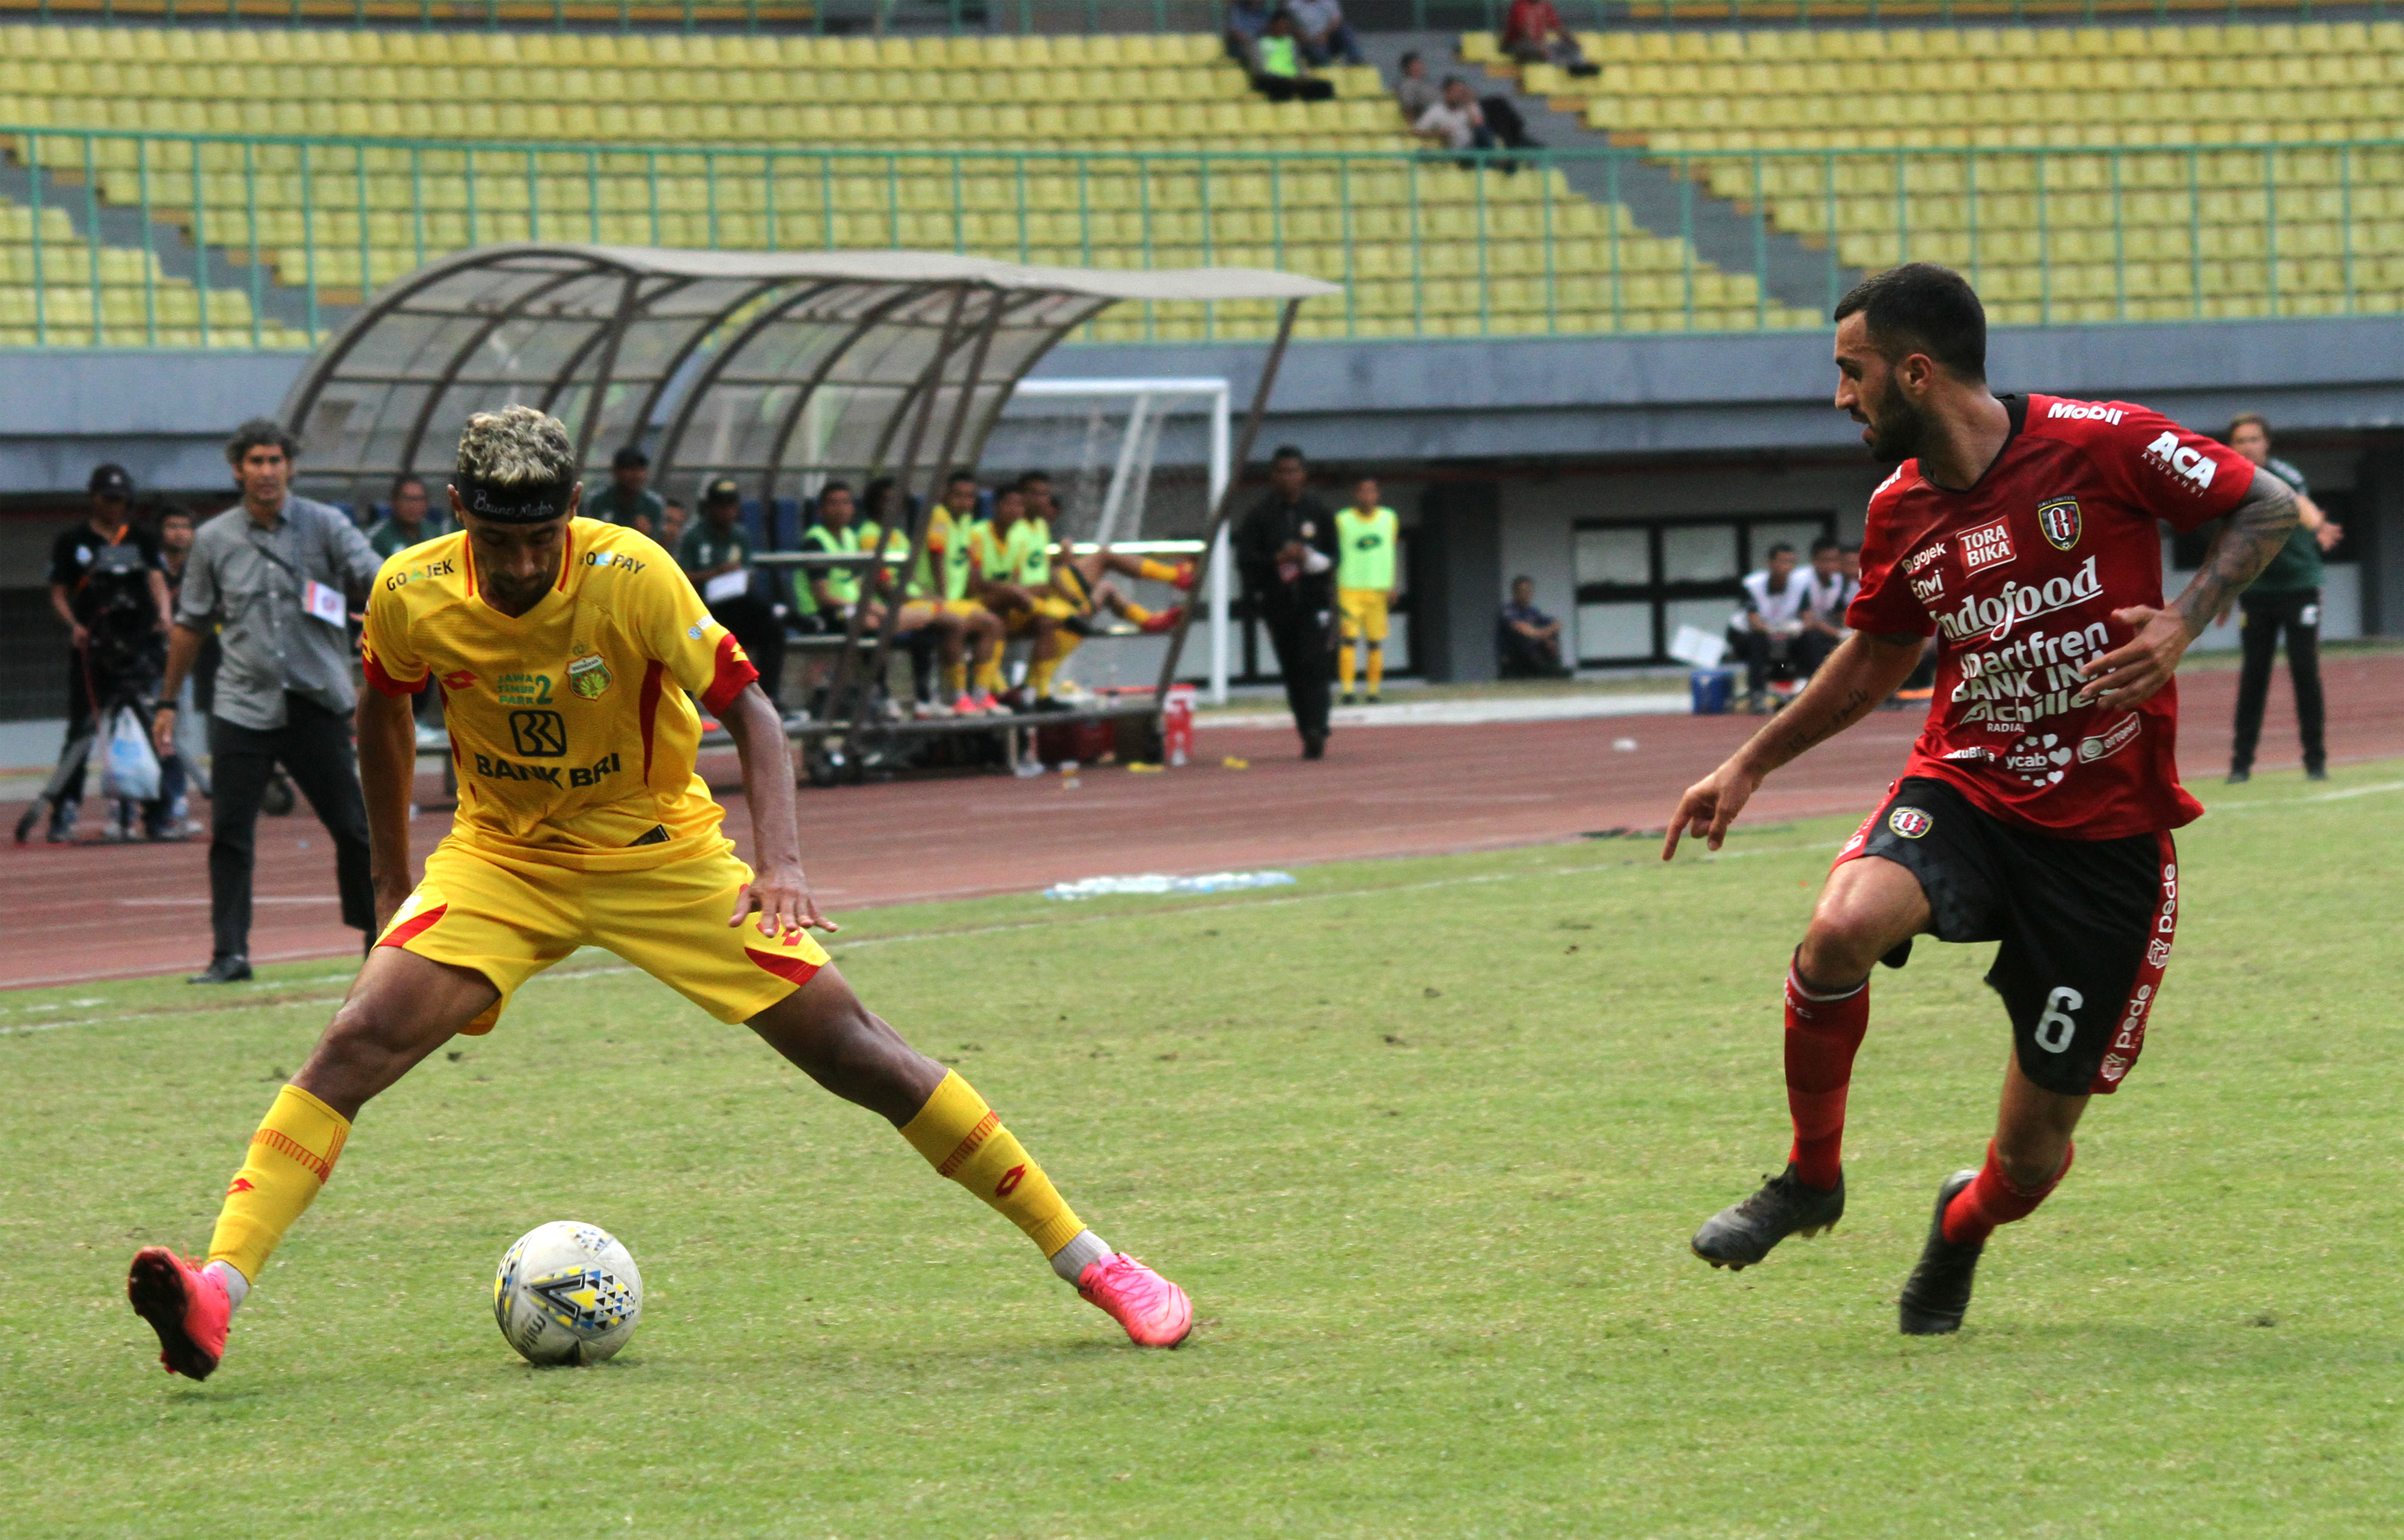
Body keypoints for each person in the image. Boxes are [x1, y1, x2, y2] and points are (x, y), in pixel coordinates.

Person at [123, 404, 1192, 1386]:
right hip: (502, 858)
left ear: (574, 514)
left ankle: (1096, 1262)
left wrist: (780, 863)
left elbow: (755, 714)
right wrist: (394, 883)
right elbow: (383, 718)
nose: (523, 565)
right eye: (499, 545)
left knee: (858, 1049)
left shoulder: (634, 574)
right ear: (459, 519)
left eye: (543, 541)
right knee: (353, 1040)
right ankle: (218, 1290)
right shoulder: (409, 590)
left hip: (660, 853)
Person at [1668, 263, 2298, 1336]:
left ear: (1915, 372)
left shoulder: (2101, 442)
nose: (1840, 397)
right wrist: (1751, 763)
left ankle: (1960, 1226)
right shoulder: (1899, 509)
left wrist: (2185, 621)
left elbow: (2267, 503)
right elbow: (1871, 668)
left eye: (1851, 373)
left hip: (2107, 842)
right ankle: (1811, 1178)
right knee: (1837, 933)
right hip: (1967, 788)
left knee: (2030, 1154)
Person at [153, 418, 383, 985]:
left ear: (291, 467)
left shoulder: (325, 524)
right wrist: (166, 701)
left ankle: (378, 945)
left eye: (275, 460)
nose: (266, 471)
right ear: (237, 469)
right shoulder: (213, 539)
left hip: (316, 700)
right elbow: (190, 624)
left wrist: (383, 610)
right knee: (230, 832)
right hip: (241, 705)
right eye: (254, 461)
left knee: (355, 828)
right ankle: (230, 953)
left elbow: (380, 577)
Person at [43, 462, 172, 843]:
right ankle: (64, 808)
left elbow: (156, 577)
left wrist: (163, 613)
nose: (115, 506)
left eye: (121, 499)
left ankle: (158, 810)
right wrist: (74, 627)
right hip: (95, 649)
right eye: (107, 498)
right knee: (82, 729)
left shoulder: (142, 538)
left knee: (153, 725)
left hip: (139, 644)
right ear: (93, 498)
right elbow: (57, 592)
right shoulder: (72, 541)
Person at [2222, 414, 2341, 784]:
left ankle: (2316, 763)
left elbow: (2299, 501)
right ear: (2231, 446)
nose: (2248, 447)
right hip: (2256, 593)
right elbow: (2228, 542)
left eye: (2255, 439)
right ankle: (2241, 767)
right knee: (2253, 677)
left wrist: (2319, 525)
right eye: (2241, 441)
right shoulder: (2227, 484)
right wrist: (2223, 595)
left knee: (2305, 672)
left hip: (2298, 588)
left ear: (2267, 443)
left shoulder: (2283, 475)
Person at [1233, 445, 1339, 758]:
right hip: (1278, 605)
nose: (1288, 477)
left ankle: (1319, 727)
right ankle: (1306, 729)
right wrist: (1277, 559)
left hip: (1315, 602)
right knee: (1292, 668)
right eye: (1282, 471)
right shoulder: (1259, 516)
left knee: (1315, 665)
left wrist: (1309, 557)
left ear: (1303, 475)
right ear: (1272, 476)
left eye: (1294, 471)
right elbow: (1245, 559)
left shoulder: (1319, 513)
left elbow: (1335, 558)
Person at [679, 477, 786, 711]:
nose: (727, 511)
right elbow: (682, 576)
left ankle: (771, 695)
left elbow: (748, 571)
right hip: (703, 607)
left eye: (731, 505)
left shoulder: (740, 535)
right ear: (709, 507)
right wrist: (717, 573)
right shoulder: (694, 536)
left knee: (772, 625)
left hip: (736, 602)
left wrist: (739, 577)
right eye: (721, 505)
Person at [1335, 478, 1400, 704]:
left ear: (1378, 494)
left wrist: (1393, 583)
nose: (1367, 496)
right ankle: (1348, 691)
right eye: (1363, 491)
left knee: (1375, 641)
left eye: (1372, 491)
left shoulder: (1389, 518)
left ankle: (1373, 691)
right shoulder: (1342, 520)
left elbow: (1391, 551)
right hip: (1349, 587)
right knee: (1348, 639)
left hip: (1378, 588)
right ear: (1355, 494)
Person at [1726, 541, 1811, 711]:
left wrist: (1797, 629)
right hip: (1747, 636)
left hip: (1784, 636)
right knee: (1758, 640)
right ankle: (1757, 693)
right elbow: (1755, 623)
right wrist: (1778, 631)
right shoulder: (1752, 584)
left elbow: (1807, 619)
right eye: (1783, 562)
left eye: (1792, 563)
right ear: (1770, 563)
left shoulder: (1801, 585)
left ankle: (1811, 688)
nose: (1788, 567)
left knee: (1811, 639)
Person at [1795, 535, 1855, 680]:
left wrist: (1849, 633)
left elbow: (1841, 613)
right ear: (1814, 561)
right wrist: (1838, 634)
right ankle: (1819, 682)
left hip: (1825, 632)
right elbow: (1809, 622)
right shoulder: (1801, 580)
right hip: (1796, 634)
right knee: (1812, 638)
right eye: (1825, 560)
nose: (1831, 565)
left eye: (1834, 560)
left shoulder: (1839, 580)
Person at [1249, 13, 1333, 103]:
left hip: (1293, 79)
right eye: (1280, 25)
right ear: (1272, 25)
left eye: (1286, 26)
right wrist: (1284, 78)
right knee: (1283, 88)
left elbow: (1299, 62)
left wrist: (1303, 78)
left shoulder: (1291, 42)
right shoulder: (1259, 43)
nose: (1283, 28)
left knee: (1325, 87)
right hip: (1271, 79)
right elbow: (1260, 70)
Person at [1496, 576, 1569, 678]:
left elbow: (1557, 624)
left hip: (1533, 656)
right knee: (1528, 639)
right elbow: (1523, 630)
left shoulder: (1533, 611)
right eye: (1522, 591)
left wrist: (1547, 637)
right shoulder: (1508, 611)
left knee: (1552, 637)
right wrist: (1543, 634)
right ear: (1515, 592)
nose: (1526, 594)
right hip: (1514, 659)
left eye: (1528, 591)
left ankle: (1552, 670)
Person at [1500, 0, 1598, 75]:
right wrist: (1539, 46)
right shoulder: (1520, 5)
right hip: (1516, 44)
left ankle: (1579, 66)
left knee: (1569, 46)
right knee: (1542, 50)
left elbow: (1557, 27)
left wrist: (1571, 41)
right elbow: (1522, 30)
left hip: (1539, 43)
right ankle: (1565, 68)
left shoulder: (1545, 5)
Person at [368, 473, 448, 559]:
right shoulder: (377, 537)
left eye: (419, 499)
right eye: (407, 499)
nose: (413, 505)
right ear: (394, 501)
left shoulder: (437, 533)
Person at [587, 445, 664, 535]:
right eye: (631, 469)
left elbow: (657, 539)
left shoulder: (653, 504)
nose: (637, 476)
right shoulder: (597, 500)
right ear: (616, 472)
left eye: (641, 470)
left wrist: (644, 534)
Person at [1416, 77, 1497, 156]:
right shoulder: (1436, 110)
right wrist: (1438, 134)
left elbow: (1479, 125)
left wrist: (1469, 104)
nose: (1459, 95)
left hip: (1471, 150)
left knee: (1483, 131)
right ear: (1447, 93)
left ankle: (1495, 159)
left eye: (1462, 92)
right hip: (1450, 152)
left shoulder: (1468, 107)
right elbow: (1418, 131)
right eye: (1456, 92)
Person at [1284, 0, 1362, 67]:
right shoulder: (1293, 5)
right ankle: (1324, 66)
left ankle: (1355, 59)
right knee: (1319, 53)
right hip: (1307, 43)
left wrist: (1325, 34)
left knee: (1346, 29)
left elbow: (1337, 20)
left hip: (1327, 38)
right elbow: (1290, 25)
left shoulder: (1329, 2)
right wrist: (1307, 39)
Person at [1393, 50, 1441, 125]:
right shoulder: (1408, 85)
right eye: (1415, 65)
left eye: (1420, 64)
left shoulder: (1426, 83)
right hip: (1427, 118)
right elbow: (1408, 107)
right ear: (1407, 68)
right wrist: (1413, 127)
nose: (1419, 67)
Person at [1223, 0, 1270, 64]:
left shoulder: (1265, 13)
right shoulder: (1238, 9)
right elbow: (1235, 31)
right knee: (1255, 47)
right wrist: (1250, 40)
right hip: (1240, 45)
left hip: (1261, 43)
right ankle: (1262, 72)